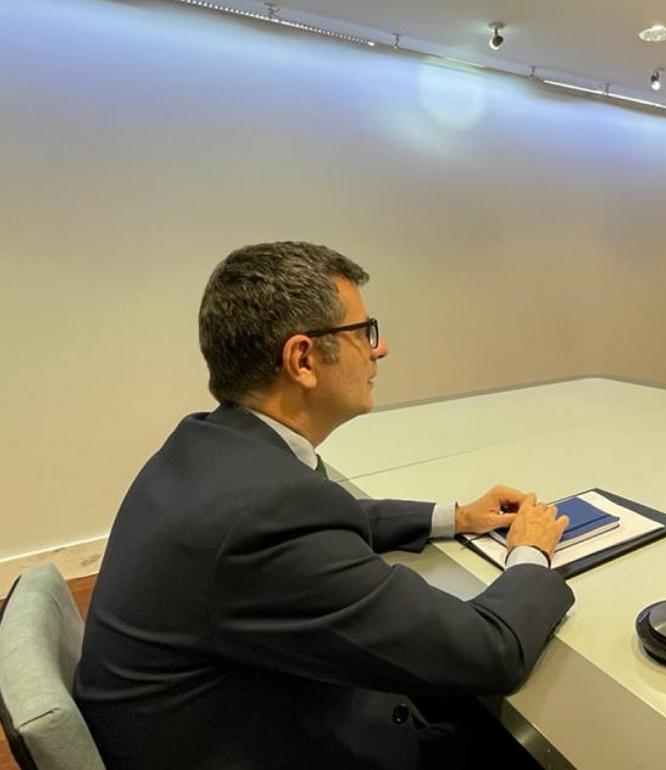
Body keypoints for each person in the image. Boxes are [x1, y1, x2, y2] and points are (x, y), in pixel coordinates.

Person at [74, 242, 575, 770]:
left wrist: (454, 517)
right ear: (303, 360)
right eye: (364, 332)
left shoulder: (208, 448)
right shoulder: (269, 516)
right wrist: (530, 554)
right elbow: (490, 652)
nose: (380, 350)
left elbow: (322, 521)